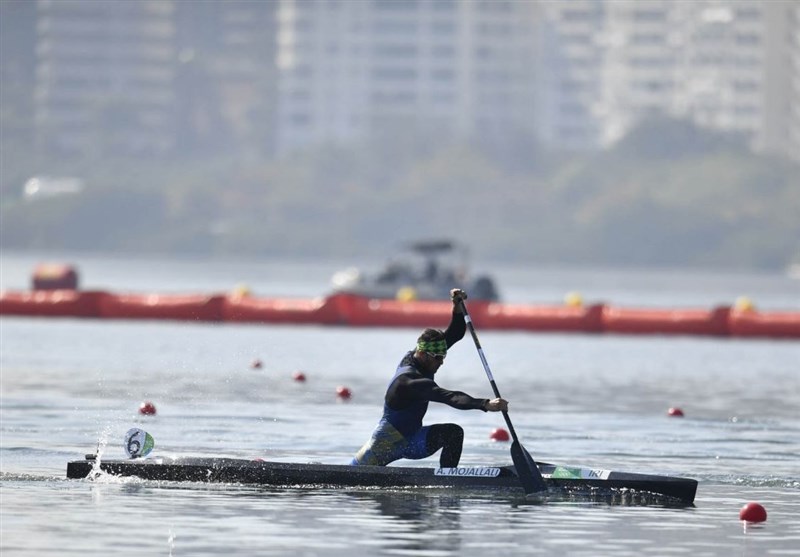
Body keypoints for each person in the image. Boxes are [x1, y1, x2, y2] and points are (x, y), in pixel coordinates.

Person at [351, 288, 508, 468]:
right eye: (438, 357)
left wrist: (457, 306)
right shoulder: (408, 381)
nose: (441, 362)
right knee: (353, 472)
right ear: (423, 354)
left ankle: (448, 480)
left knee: (453, 433)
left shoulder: (426, 355)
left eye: (444, 356)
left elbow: (455, 333)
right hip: (385, 445)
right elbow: (450, 397)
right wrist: (485, 404)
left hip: (413, 440)